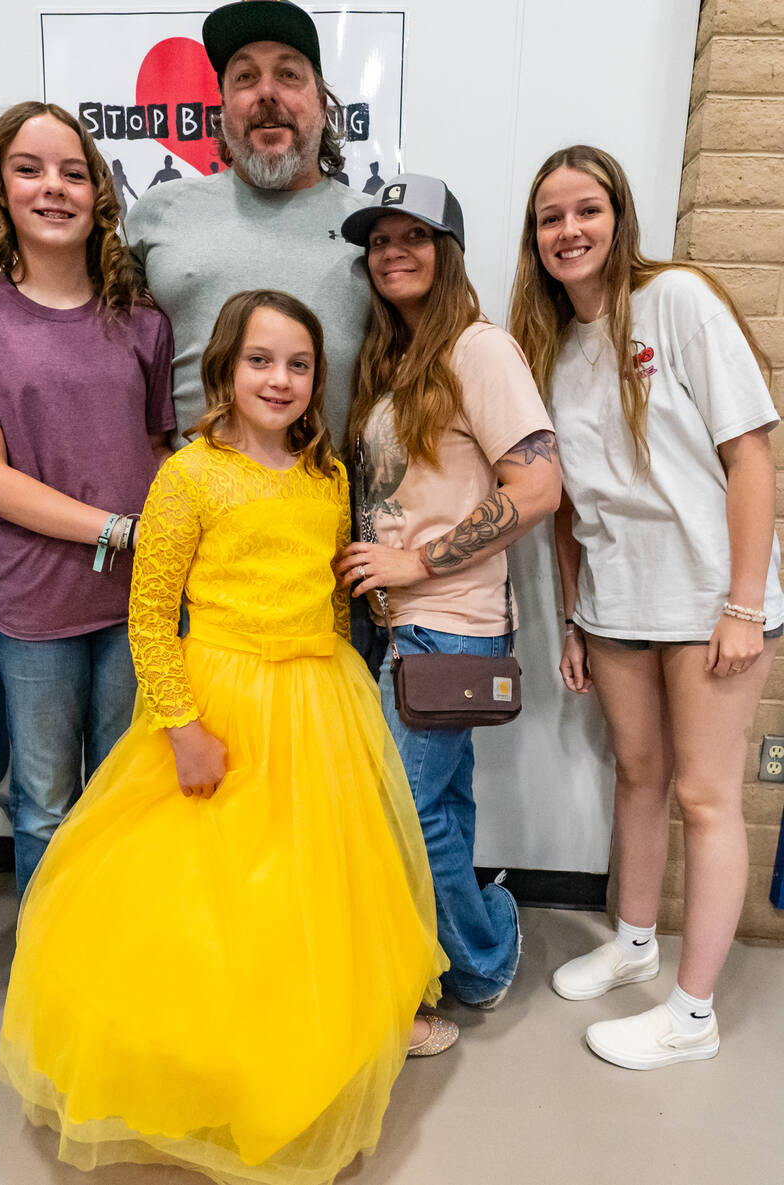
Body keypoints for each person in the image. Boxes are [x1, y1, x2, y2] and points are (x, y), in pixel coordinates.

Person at [0, 289, 451, 1185]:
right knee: (206, 895)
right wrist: (182, 726)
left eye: (297, 364)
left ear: (318, 379)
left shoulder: (326, 476)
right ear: (225, 368)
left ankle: (318, 1037)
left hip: (318, 698)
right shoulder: (190, 474)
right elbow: (149, 615)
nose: (278, 379)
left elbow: (324, 593)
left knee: (313, 883)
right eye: (259, 360)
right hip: (218, 701)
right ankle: (209, 1068)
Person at [509, 145, 782, 1069]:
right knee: (637, 774)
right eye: (551, 217)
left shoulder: (680, 303)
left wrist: (745, 604)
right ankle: (633, 944)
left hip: (710, 598)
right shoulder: (549, 343)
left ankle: (692, 1015)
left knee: (706, 798)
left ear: (619, 217)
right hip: (620, 600)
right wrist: (576, 615)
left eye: (586, 210)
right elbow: (567, 506)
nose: (569, 231)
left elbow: (752, 455)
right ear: (535, 238)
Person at [0, 101, 175, 895]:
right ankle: (48, 981)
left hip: (138, 597)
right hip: (38, 602)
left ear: (98, 193)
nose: (53, 188)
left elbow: (161, 449)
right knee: (44, 805)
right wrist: (119, 528)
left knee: (122, 795)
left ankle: (112, 967)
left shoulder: (141, 321)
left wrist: (174, 542)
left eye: (73, 171)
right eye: (29, 169)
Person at [334, 174, 561, 1010]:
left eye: (414, 236)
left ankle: (482, 958)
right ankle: (461, 941)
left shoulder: (478, 349)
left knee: (408, 808)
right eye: (380, 240)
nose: (393, 252)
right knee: (444, 798)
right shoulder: (393, 359)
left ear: (448, 250)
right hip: (401, 628)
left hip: (450, 623)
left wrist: (416, 562)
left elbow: (537, 488)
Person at [124, 0, 375, 446]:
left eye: (288, 75)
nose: (266, 92)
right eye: (244, 78)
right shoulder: (158, 214)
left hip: (330, 509)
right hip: (189, 509)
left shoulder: (371, 228)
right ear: (223, 106)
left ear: (321, 103)